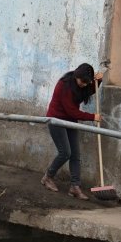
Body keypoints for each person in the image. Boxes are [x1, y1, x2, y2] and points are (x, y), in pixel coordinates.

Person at [42, 62, 103, 200]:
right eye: (82, 82)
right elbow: (72, 111)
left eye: (87, 82)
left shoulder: (82, 84)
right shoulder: (64, 85)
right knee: (65, 153)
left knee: (75, 155)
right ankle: (47, 177)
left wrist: (99, 80)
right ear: (77, 76)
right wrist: (92, 117)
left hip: (70, 120)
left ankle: (75, 187)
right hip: (56, 120)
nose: (84, 85)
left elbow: (90, 90)